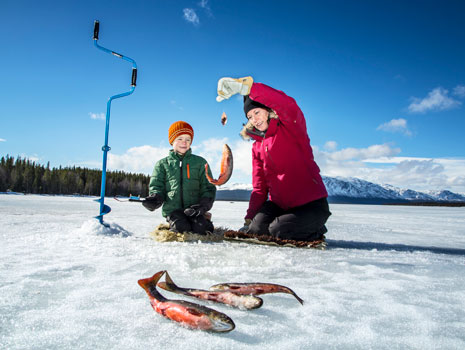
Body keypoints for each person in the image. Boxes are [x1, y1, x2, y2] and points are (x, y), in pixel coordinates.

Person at [216, 76, 331, 241]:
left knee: (279, 230)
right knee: (256, 229)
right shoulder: (257, 146)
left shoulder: (291, 127)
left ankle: (316, 228)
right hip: (280, 205)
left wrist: (248, 89)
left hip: (310, 204)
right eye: (249, 117)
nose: (254, 119)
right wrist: (249, 218)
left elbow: (288, 105)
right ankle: (288, 223)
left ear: (268, 110)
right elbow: (259, 187)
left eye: (256, 112)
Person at [142, 121, 216, 235]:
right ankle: (175, 222)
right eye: (180, 138)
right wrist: (155, 199)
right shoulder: (162, 164)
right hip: (173, 210)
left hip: (194, 209)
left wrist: (202, 206)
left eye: (188, 139)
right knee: (181, 228)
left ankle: (205, 219)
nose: (184, 142)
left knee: (201, 230)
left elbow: (208, 187)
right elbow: (157, 186)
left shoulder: (200, 162)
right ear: (172, 141)